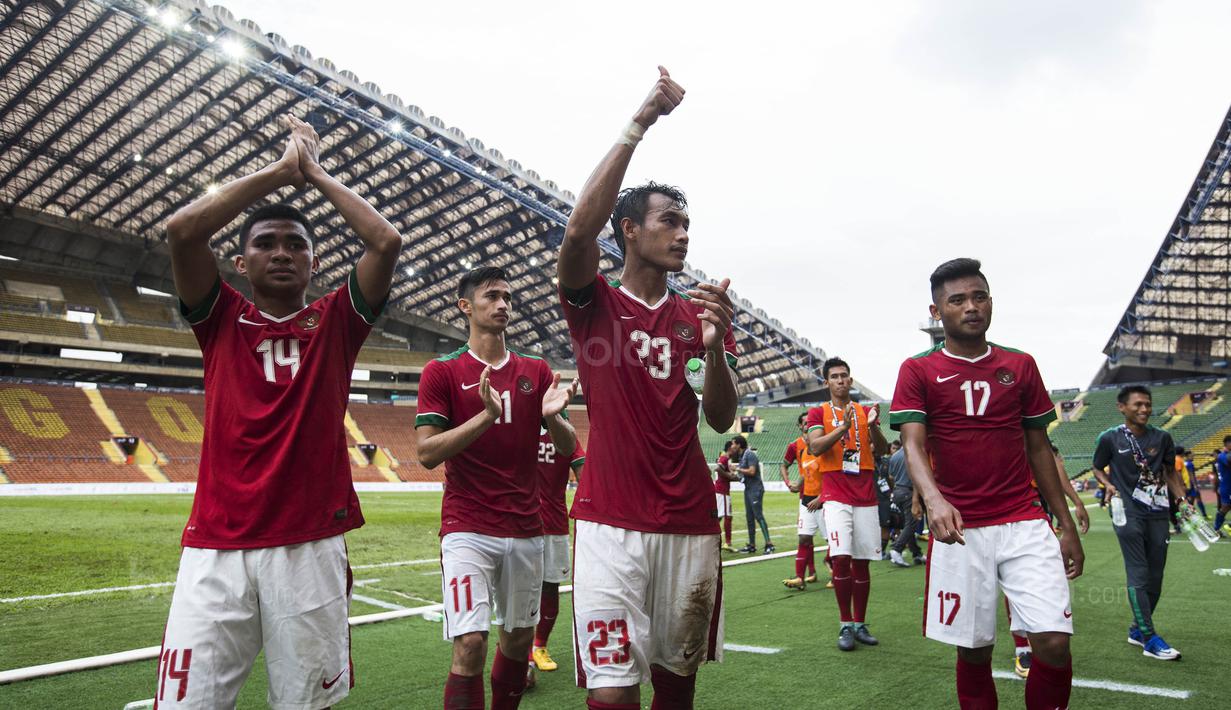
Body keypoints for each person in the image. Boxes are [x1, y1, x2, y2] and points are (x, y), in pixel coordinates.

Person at [156, 115, 403, 708]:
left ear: (315, 264)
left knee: (303, 704)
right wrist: (278, 173)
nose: (282, 253)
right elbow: (183, 232)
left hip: (308, 545)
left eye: (297, 245)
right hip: (216, 544)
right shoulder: (220, 320)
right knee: (185, 703)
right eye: (264, 243)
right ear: (240, 264)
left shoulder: (336, 324)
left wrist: (313, 173)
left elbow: (386, 242)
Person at [557, 66, 739, 710]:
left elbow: (719, 418)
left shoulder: (699, 316)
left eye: (687, 222)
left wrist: (717, 353)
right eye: (669, 221)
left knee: (676, 690)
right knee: (612, 696)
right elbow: (579, 231)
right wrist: (640, 124)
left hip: (690, 520)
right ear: (630, 229)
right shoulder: (594, 303)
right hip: (610, 522)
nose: (684, 232)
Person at [890, 258, 1083, 710]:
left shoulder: (1020, 365)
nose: (971, 307)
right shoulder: (918, 370)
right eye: (957, 300)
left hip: (1024, 521)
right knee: (974, 651)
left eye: (979, 296)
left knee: (1054, 643)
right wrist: (934, 499)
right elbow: (913, 445)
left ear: (991, 302)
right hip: (960, 530)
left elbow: (1040, 450)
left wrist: (1065, 522)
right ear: (937, 312)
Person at [415, 266, 578, 709]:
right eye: (491, 296)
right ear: (465, 306)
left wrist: (552, 418)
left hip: (527, 528)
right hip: (467, 527)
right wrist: (486, 415)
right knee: (470, 642)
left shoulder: (535, 371)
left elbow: (566, 446)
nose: (503, 304)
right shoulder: (441, 371)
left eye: (507, 296)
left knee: (518, 642)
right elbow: (427, 453)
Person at [1091, 385, 1188, 662]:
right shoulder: (1109, 438)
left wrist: (1182, 500)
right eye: (1138, 404)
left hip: (1158, 511)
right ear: (1122, 407)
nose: (1145, 409)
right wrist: (1108, 484)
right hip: (1127, 511)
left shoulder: (1163, 437)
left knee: (1155, 577)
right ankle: (1149, 638)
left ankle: (1136, 629)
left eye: (1148, 404)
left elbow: (1170, 473)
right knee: (1138, 572)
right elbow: (1098, 466)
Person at [806, 357, 888, 651]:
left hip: (865, 493)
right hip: (836, 494)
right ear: (827, 382)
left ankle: (860, 623)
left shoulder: (865, 412)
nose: (841, 381)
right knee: (841, 558)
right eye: (835, 377)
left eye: (845, 376)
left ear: (851, 381)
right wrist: (844, 428)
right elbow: (815, 446)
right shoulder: (819, 412)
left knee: (862, 561)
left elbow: (881, 448)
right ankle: (844, 624)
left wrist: (872, 426)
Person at [529, 421, 586, 678]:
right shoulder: (520, 425)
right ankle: (518, 649)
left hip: (554, 523)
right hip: (519, 521)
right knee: (518, 588)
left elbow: (584, 473)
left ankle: (539, 646)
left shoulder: (565, 433)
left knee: (550, 586)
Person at [781, 412, 824, 589]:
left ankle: (832, 572)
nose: (807, 425)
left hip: (824, 498)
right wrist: (789, 483)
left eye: (810, 422)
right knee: (805, 537)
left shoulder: (822, 444)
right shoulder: (795, 446)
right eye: (805, 423)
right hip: (805, 497)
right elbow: (785, 465)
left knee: (832, 540)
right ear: (800, 426)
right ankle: (803, 575)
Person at [888, 440, 926, 567]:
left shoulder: (894, 456)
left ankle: (917, 553)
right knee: (912, 524)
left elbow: (891, 477)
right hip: (909, 492)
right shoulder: (914, 453)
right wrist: (915, 498)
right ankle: (896, 548)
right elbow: (917, 477)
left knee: (908, 524)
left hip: (898, 491)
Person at [734, 436, 774, 554]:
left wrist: (738, 469)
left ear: (739, 444)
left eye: (733, 444)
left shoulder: (750, 454)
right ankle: (752, 545)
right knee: (749, 518)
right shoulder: (742, 456)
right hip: (748, 488)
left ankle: (769, 544)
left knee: (758, 516)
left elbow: (751, 471)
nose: (732, 446)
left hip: (755, 489)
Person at [715, 442, 739, 552]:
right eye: (734, 447)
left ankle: (711, 538)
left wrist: (733, 476)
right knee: (727, 516)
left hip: (722, 491)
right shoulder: (724, 458)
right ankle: (727, 543)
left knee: (719, 517)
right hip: (722, 491)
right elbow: (718, 469)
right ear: (730, 448)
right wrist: (730, 476)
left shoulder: (726, 459)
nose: (736, 449)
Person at [1183, 449, 1208, 519]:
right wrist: (1195, 485)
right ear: (1187, 456)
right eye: (1192, 455)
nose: (1193, 457)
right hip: (1191, 484)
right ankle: (1202, 514)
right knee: (1194, 499)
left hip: (1186, 484)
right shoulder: (1190, 464)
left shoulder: (1184, 463)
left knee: (1190, 499)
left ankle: (1188, 515)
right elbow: (1191, 475)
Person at [1215, 436, 1231, 535]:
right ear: (1227, 444)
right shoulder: (1222, 456)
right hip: (1227, 487)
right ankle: (1217, 529)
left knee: (1226, 507)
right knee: (1225, 507)